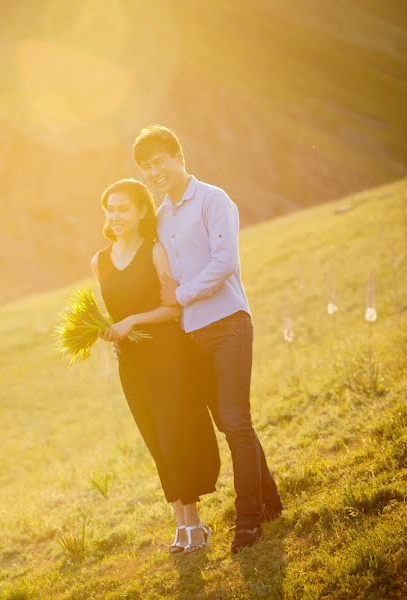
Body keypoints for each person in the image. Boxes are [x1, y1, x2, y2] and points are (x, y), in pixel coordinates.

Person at [132, 124, 283, 553]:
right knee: (229, 423)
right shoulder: (160, 217)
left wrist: (180, 295)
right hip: (189, 337)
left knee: (236, 421)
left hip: (228, 324)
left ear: (178, 156)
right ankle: (270, 500)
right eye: (147, 168)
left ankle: (248, 521)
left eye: (159, 161)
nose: (155, 171)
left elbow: (225, 263)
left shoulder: (215, 200)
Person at [91, 178, 220, 555]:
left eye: (123, 209)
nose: (115, 216)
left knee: (174, 436)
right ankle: (179, 524)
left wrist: (133, 321)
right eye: (110, 209)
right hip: (131, 362)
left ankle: (194, 525)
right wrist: (109, 331)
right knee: (155, 439)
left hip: (168, 357)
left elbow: (172, 309)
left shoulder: (155, 251)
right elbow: (113, 311)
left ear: (143, 211)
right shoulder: (99, 261)